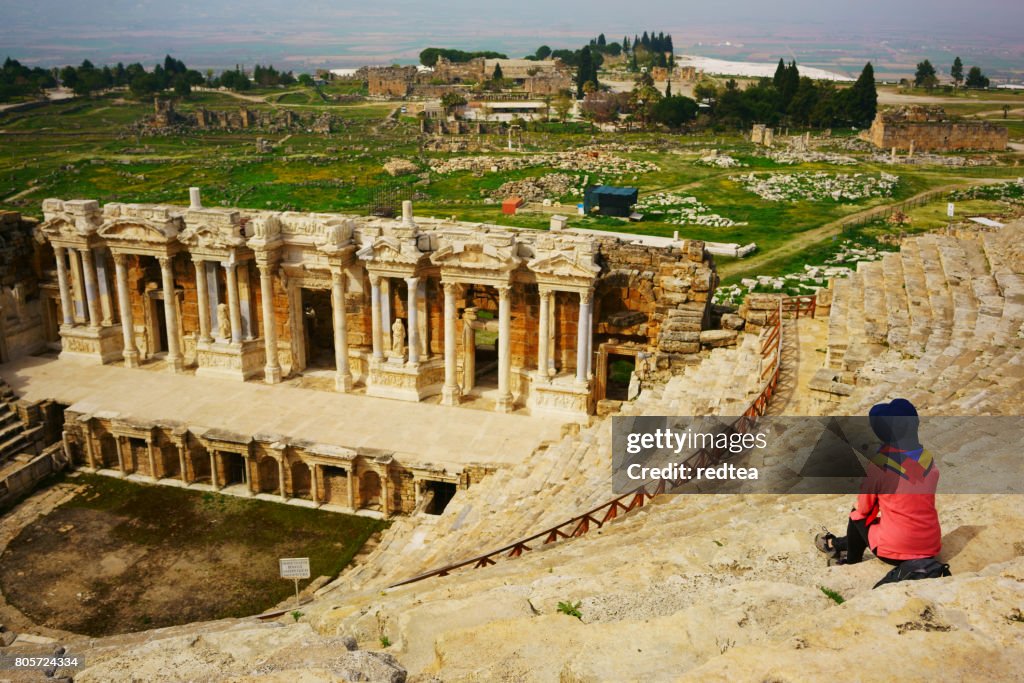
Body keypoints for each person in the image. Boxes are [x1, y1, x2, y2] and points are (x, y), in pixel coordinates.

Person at [815, 398, 941, 566]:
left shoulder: (880, 466)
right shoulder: (929, 462)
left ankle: (850, 560)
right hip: (929, 547)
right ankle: (844, 542)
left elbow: (864, 509)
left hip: (897, 551)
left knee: (857, 513)